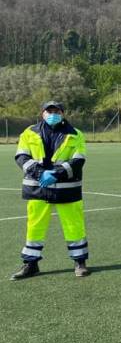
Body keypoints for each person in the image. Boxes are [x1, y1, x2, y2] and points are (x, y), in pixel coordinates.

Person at [11, 101, 90, 279]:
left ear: (63, 113)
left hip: (66, 190)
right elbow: (21, 156)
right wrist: (40, 174)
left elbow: (78, 160)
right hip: (38, 188)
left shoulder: (76, 134)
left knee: (74, 226)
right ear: (42, 113)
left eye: (57, 111)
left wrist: (56, 174)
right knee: (34, 228)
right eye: (49, 111)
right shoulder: (29, 133)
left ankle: (80, 262)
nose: (53, 114)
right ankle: (30, 264)